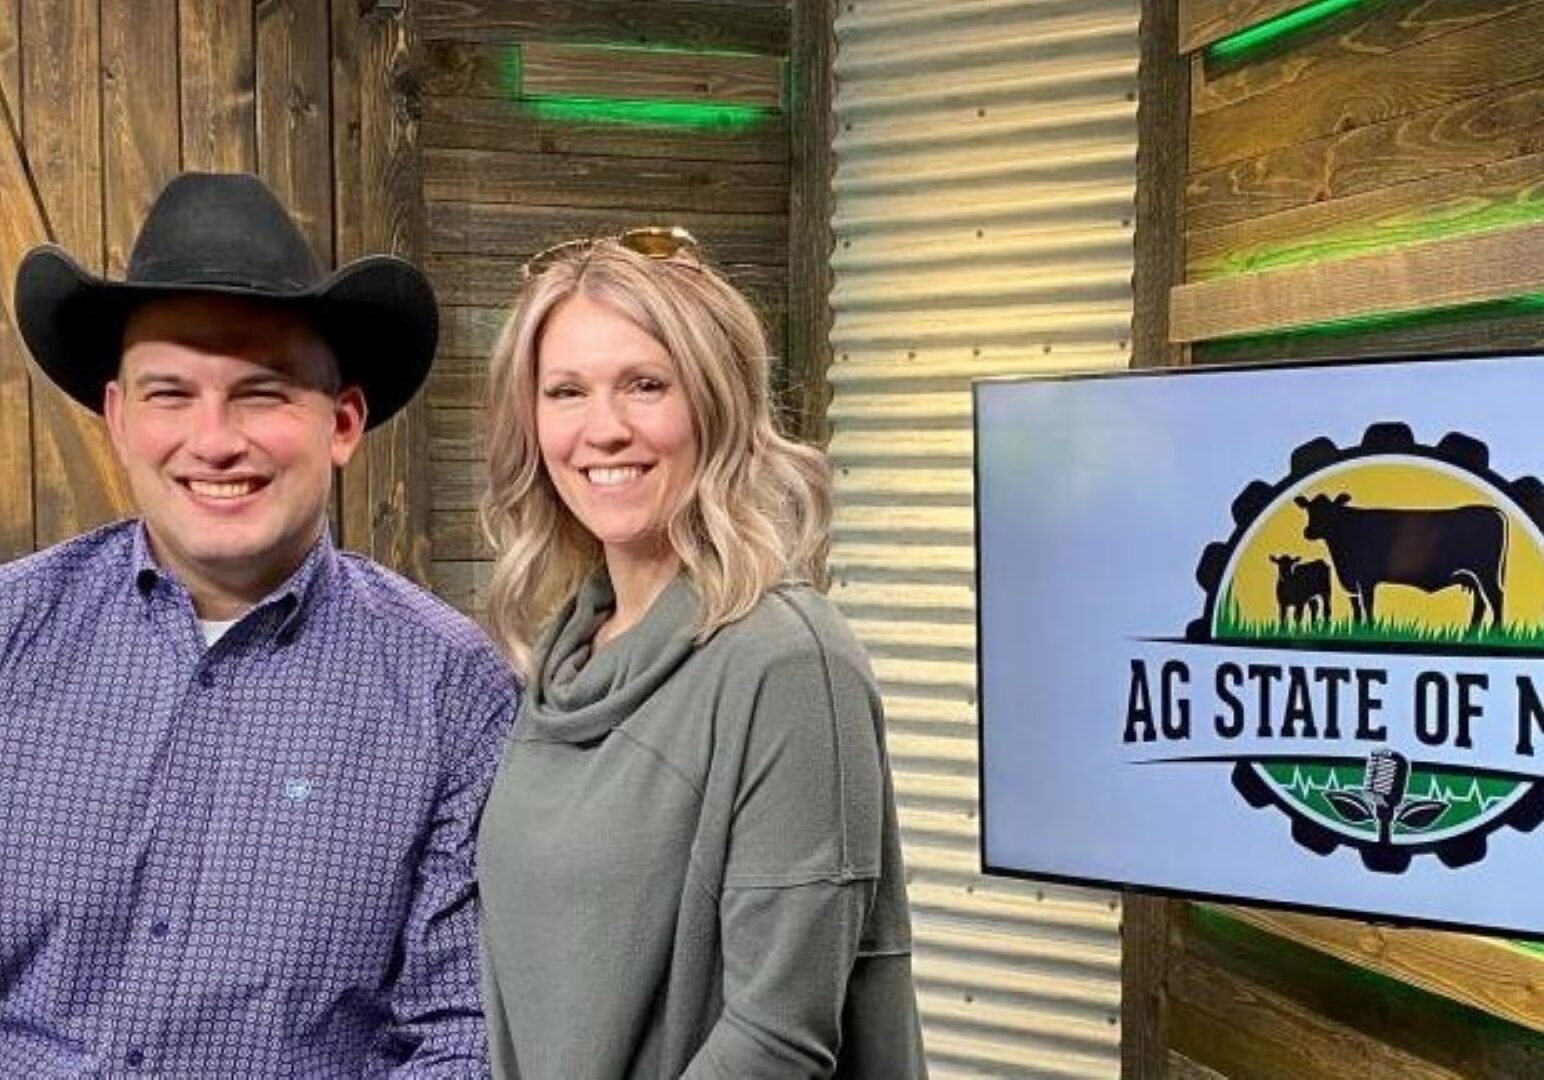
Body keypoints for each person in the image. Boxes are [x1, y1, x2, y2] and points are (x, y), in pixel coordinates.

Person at [0, 172, 518, 1076]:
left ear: (344, 423)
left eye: (263, 393)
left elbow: (458, 1032)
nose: (214, 441)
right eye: (169, 394)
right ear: (118, 420)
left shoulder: (452, 693)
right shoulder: (11, 633)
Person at [477, 228, 926, 1078]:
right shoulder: (566, 660)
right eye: (565, 391)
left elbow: (778, 1039)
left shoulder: (788, 663)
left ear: (716, 406)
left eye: (646, 385)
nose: (601, 429)